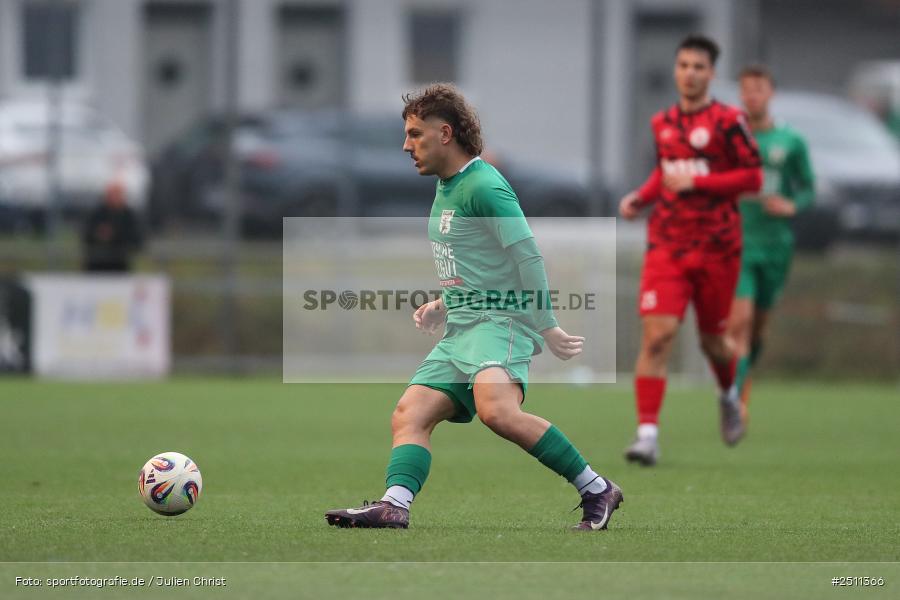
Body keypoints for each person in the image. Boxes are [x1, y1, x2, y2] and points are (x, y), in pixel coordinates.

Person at [325, 83, 623, 531]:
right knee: (411, 413)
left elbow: (527, 256)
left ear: (444, 133)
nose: (406, 146)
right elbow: (483, 262)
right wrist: (443, 303)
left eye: (414, 134)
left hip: (498, 323)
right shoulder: (448, 187)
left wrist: (547, 327)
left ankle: (596, 487)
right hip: (462, 327)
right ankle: (394, 505)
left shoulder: (484, 186)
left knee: (497, 411)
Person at [619, 35, 763, 466]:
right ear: (677, 70)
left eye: (698, 66)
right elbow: (665, 173)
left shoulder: (728, 121)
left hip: (719, 248)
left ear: (711, 73)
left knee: (715, 343)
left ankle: (728, 393)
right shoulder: (661, 122)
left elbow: (752, 179)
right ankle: (647, 435)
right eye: (683, 65)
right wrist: (640, 198)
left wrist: (699, 182)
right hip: (668, 244)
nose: (689, 73)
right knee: (658, 336)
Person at [728, 64, 815, 420]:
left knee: (759, 325)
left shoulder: (790, 142)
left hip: (776, 244)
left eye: (758, 89)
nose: (752, 96)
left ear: (770, 94)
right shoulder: (730, 139)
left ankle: (743, 382)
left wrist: (792, 205)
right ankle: (735, 401)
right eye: (746, 90)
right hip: (738, 242)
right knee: (740, 322)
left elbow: (808, 188)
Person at [82, 180, 143, 272]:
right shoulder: (96, 214)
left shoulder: (129, 216)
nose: (114, 197)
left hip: (120, 266)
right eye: (111, 194)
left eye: (117, 194)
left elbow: (137, 240)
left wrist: (115, 236)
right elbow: (86, 236)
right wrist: (99, 235)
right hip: (96, 266)